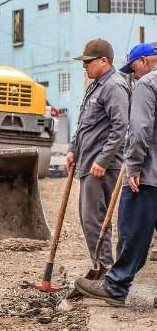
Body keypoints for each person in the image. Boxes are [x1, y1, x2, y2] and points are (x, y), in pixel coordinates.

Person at [75, 44, 157, 306]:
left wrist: (132, 166)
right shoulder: (97, 86)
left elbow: (136, 128)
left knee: (131, 229)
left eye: (133, 68)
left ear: (144, 61)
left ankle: (115, 284)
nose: (133, 75)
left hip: (147, 175)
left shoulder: (145, 84)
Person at [66, 38, 130, 271]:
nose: (85, 66)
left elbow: (120, 127)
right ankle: (101, 267)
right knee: (88, 219)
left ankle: (105, 270)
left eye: (89, 61)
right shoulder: (95, 85)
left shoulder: (114, 86)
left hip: (102, 166)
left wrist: (103, 160)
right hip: (87, 161)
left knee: (95, 219)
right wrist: (73, 149)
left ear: (104, 61)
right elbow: (84, 122)